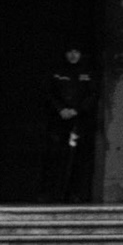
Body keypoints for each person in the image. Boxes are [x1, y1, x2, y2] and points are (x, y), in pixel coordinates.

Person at [45, 46, 98, 203]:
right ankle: (54, 193)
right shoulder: (57, 72)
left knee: (80, 158)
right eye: (70, 51)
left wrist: (77, 110)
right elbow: (49, 93)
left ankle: (77, 194)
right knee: (56, 157)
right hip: (58, 120)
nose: (73, 55)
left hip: (81, 121)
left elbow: (93, 94)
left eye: (76, 51)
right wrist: (60, 109)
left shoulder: (88, 72)